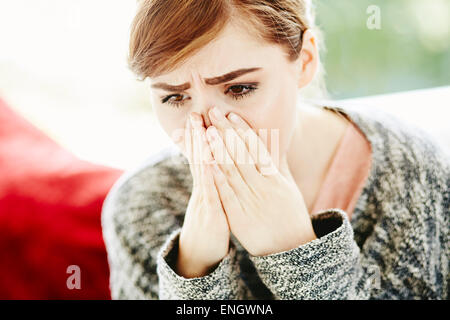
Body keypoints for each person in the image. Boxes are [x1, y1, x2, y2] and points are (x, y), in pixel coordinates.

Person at [101, 0, 449, 299]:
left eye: (238, 89)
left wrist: (297, 252)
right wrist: (193, 270)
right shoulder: (141, 204)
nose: (206, 128)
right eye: (174, 97)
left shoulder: (416, 175)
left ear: (306, 61)